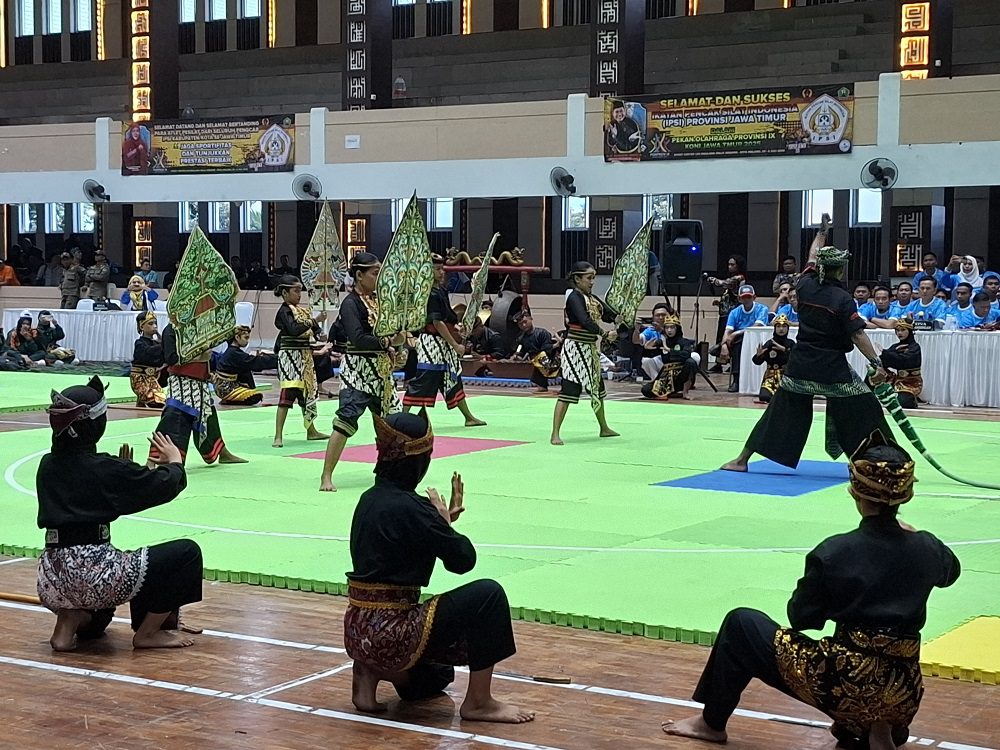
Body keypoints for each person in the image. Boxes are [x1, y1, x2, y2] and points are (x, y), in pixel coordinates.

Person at [664, 430, 960, 750]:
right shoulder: (928, 547)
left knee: (741, 624)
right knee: (873, 694)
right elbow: (950, 573)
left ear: (854, 492)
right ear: (907, 495)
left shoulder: (835, 552)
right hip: (903, 692)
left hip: (845, 682)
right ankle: (878, 725)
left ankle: (711, 724)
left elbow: (801, 617)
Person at [344, 410, 535, 724]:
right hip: (392, 632)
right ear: (418, 461)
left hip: (357, 631)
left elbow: (398, 545)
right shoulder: (416, 508)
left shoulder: (368, 499)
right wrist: (443, 525)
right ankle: (479, 702)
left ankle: (369, 671)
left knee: (438, 677)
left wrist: (439, 525)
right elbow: (463, 561)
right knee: (489, 595)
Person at [36, 377, 204, 651]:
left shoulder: (47, 466)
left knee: (102, 617)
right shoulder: (104, 468)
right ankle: (148, 633)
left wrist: (124, 470)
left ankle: (70, 617)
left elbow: (90, 494)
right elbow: (162, 486)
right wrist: (174, 462)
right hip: (92, 574)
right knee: (186, 554)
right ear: (93, 426)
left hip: (52, 580)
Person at [721, 223, 892, 473]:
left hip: (801, 363)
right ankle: (885, 460)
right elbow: (857, 335)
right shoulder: (842, 299)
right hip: (831, 367)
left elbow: (812, 256)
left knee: (777, 413)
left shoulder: (804, 284)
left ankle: (742, 459)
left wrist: (821, 232)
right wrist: (877, 362)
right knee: (866, 406)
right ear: (840, 270)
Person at [319, 254, 406, 492]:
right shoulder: (350, 304)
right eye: (374, 273)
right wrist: (386, 342)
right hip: (357, 370)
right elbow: (357, 337)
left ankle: (387, 473)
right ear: (359, 275)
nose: (378, 277)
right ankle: (326, 475)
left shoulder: (379, 301)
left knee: (392, 424)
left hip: (382, 371)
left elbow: (393, 333)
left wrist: (399, 338)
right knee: (346, 420)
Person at [146, 323, 247, 466]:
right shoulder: (172, 330)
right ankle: (152, 460)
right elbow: (171, 358)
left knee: (209, 417)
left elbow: (212, 342)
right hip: (181, 381)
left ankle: (222, 452)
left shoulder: (199, 326)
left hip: (200, 381)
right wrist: (199, 356)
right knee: (173, 417)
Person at [402, 255, 486, 427]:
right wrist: (455, 344)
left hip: (443, 342)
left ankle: (468, 417)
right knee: (424, 379)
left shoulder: (440, 290)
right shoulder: (428, 293)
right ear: (427, 271)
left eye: (442, 269)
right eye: (437, 269)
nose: (441, 273)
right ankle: (401, 418)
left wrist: (457, 329)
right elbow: (436, 323)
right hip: (431, 343)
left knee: (453, 378)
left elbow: (446, 319)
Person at [550, 261, 619, 445]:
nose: (592, 282)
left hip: (589, 349)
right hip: (575, 349)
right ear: (577, 279)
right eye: (589, 278)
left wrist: (620, 316)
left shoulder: (592, 298)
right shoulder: (574, 297)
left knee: (597, 388)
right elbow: (584, 320)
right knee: (568, 390)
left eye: (593, 278)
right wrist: (605, 333)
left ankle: (603, 427)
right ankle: (555, 433)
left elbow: (607, 313)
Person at [272, 276, 331, 446]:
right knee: (287, 393)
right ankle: (278, 435)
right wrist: (315, 321)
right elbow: (294, 329)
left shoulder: (303, 311)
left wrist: (320, 332)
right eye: (295, 291)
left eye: (300, 290)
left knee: (307, 394)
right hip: (289, 358)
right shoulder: (283, 312)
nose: (299, 294)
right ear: (285, 292)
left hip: (304, 357)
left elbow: (315, 329)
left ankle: (311, 430)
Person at [714, 284, 768, 393]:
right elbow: (727, 330)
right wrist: (724, 345)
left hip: (758, 339)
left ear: (754, 297)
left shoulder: (762, 309)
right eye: (744, 297)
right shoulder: (734, 312)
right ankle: (736, 379)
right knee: (738, 344)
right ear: (739, 298)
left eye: (749, 297)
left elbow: (757, 326)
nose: (746, 299)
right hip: (739, 340)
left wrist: (737, 333)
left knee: (739, 341)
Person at [214, 325, 277, 406]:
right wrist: (278, 359)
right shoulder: (234, 354)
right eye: (246, 338)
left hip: (227, 384)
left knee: (246, 368)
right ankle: (229, 400)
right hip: (225, 388)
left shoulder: (233, 351)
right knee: (255, 397)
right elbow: (256, 362)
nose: (247, 341)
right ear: (237, 337)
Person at [641, 313, 698, 401]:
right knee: (645, 390)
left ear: (677, 329)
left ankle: (685, 392)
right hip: (666, 377)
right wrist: (647, 347)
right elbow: (649, 353)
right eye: (667, 327)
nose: (669, 330)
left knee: (691, 362)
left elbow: (686, 355)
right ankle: (670, 393)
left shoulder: (684, 342)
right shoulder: (663, 342)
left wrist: (669, 350)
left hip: (680, 377)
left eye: (672, 327)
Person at [706, 255, 747, 367]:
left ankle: (732, 363)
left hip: (732, 314)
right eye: (729, 264)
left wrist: (712, 279)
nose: (730, 267)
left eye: (732, 264)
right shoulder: (732, 278)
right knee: (720, 337)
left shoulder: (739, 278)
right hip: (724, 312)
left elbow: (723, 283)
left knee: (730, 338)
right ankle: (719, 363)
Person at [878, 319, 922, 409]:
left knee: (903, 401)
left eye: (903, 330)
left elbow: (904, 361)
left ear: (909, 331)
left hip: (910, 382)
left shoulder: (914, 347)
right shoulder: (895, 347)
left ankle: (911, 398)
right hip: (895, 380)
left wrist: (887, 353)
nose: (899, 333)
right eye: (897, 330)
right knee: (874, 371)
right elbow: (884, 361)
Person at [751, 313, 795, 403]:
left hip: (785, 377)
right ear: (775, 328)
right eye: (778, 326)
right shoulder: (770, 343)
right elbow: (757, 362)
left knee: (788, 397)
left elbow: (796, 360)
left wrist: (785, 350)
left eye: (784, 327)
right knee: (764, 396)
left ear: (788, 328)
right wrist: (758, 355)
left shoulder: (791, 343)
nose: (781, 329)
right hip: (770, 377)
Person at [511, 309, 557, 393]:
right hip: (533, 361)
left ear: (531, 319)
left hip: (547, 360)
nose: (524, 325)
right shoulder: (521, 338)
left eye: (525, 322)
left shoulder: (542, 333)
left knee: (541, 360)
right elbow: (521, 351)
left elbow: (547, 348)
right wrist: (517, 356)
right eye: (521, 324)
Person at [130, 312, 167, 408]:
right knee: (158, 403)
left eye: (155, 323)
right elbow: (148, 353)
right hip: (141, 380)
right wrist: (164, 344)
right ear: (142, 327)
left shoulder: (156, 343)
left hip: (155, 378)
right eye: (150, 324)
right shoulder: (139, 343)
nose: (154, 326)